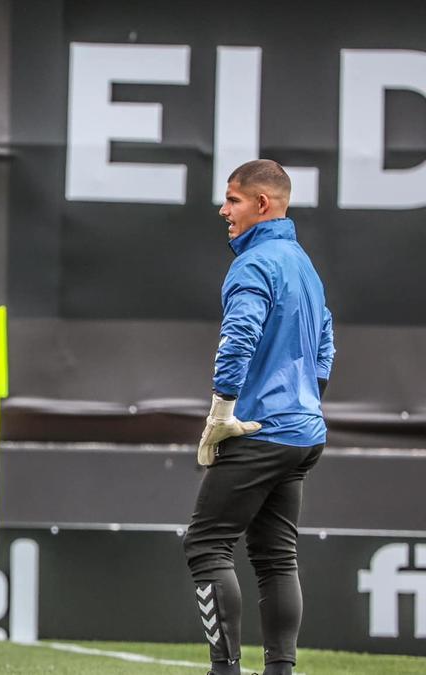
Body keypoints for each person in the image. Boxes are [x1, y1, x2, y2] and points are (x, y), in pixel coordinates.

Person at [182, 160, 334, 675]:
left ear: (262, 204)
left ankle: (224, 670)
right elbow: (326, 344)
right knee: (276, 556)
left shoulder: (254, 263)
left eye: (233, 199)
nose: (223, 210)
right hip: (301, 432)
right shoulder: (302, 263)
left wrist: (220, 414)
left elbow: (239, 338)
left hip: (257, 430)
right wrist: (305, 401)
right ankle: (280, 670)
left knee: (206, 545)